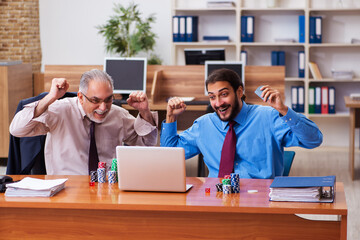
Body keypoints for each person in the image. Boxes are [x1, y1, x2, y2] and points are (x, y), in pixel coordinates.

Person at [160, 68, 322, 178]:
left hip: (261, 200)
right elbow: (169, 155)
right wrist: (171, 117)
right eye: (212, 97)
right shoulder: (204, 125)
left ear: (239, 92)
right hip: (217, 199)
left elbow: (314, 139)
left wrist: (284, 110)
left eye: (223, 94)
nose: (218, 103)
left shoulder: (268, 117)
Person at [10, 69, 158, 175]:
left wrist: (144, 112)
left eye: (108, 99)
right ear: (80, 97)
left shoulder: (117, 114)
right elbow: (17, 129)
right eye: (95, 100)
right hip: (67, 188)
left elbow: (147, 143)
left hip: (106, 187)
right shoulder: (60, 110)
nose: (103, 107)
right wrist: (50, 98)